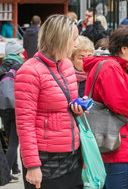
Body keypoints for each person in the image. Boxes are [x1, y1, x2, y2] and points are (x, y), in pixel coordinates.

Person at [15, 14, 85, 189]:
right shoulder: (29, 72)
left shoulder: (67, 65)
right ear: (60, 39)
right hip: (46, 159)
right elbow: (25, 124)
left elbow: (66, 103)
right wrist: (32, 165)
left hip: (72, 154)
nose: (76, 44)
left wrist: (78, 107)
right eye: (74, 39)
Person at [83, 24, 128, 189]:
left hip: (111, 142)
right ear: (124, 48)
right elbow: (121, 103)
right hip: (117, 144)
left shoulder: (108, 65)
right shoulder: (110, 67)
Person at [0, 40, 25, 182]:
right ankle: (5, 174)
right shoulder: (21, 66)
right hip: (17, 107)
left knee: (10, 140)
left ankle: (15, 168)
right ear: (16, 53)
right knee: (14, 142)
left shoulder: (3, 66)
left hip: (3, 108)